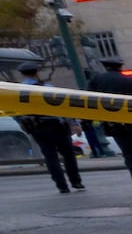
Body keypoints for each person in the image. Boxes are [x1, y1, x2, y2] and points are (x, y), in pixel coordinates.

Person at [87, 57, 132, 198]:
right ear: (120, 67)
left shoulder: (96, 81)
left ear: (106, 67)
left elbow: (89, 100)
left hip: (117, 125)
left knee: (130, 156)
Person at [15, 60, 85, 194]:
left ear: (22, 74)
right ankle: (76, 181)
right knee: (69, 155)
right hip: (58, 125)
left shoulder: (19, 91)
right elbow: (63, 107)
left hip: (39, 127)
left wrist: (23, 124)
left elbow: (17, 111)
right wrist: (74, 123)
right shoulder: (48, 87)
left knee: (50, 157)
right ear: (36, 73)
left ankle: (62, 186)